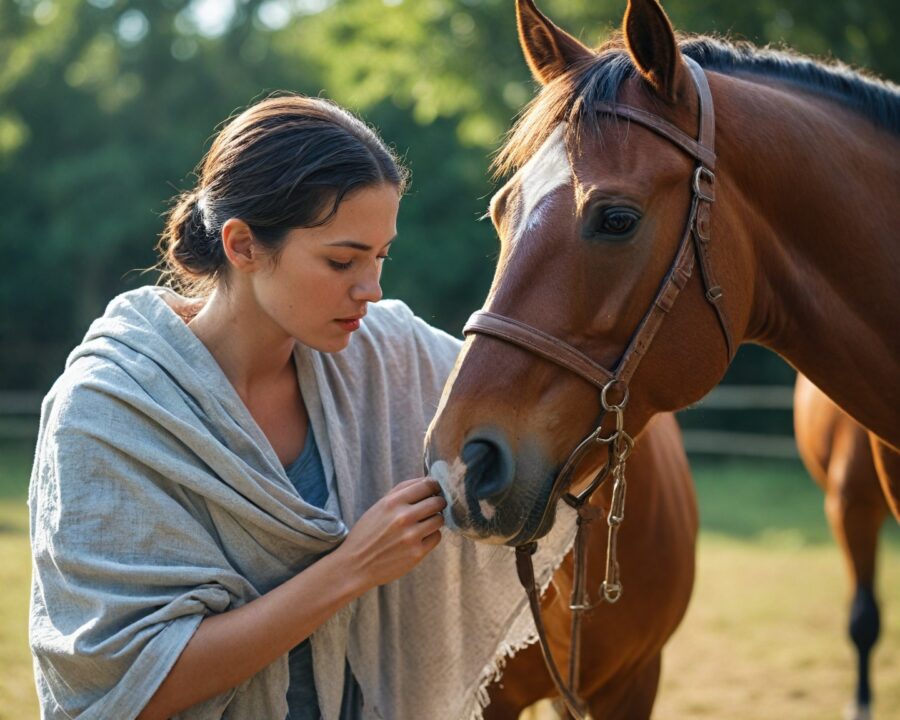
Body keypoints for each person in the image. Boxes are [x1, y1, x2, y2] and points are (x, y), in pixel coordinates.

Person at [28, 94, 575, 720]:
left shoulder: (384, 352)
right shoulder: (106, 414)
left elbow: (537, 395)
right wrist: (352, 568)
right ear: (242, 245)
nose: (371, 289)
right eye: (342, 260)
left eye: (379, 258)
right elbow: (129, 683)